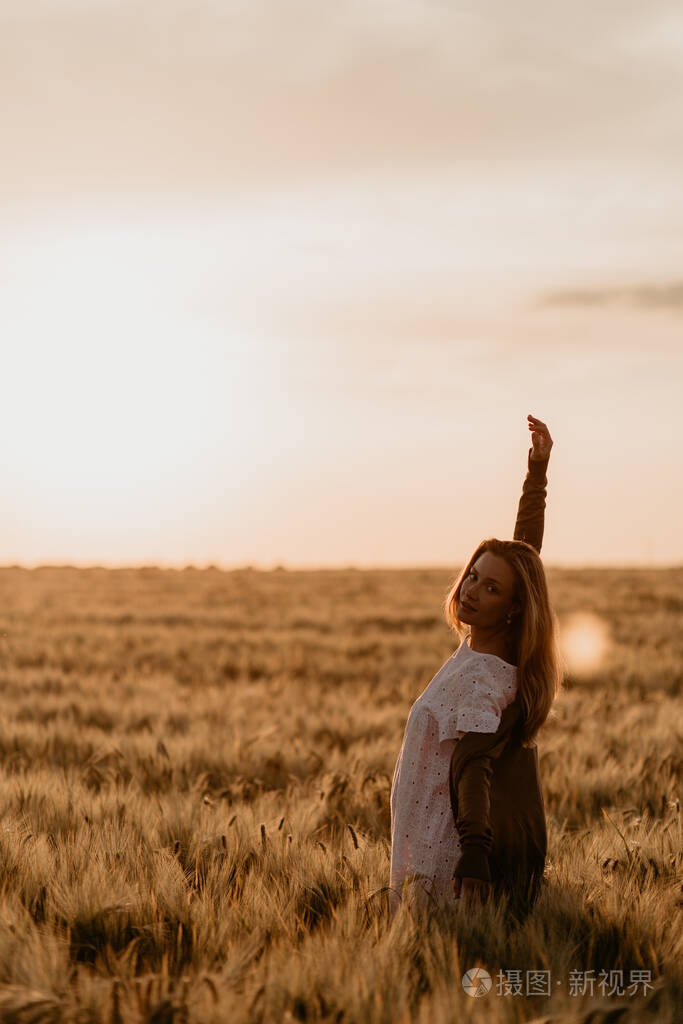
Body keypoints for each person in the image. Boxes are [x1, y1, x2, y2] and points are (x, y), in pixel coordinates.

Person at [388, 414, 562, 916]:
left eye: (490, 589)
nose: (471, 590)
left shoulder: (486, 678)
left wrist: (475, 854)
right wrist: (537, 473)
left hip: (444, 853)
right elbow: (522, 557)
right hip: (428, 834)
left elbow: (474, 768)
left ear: (511, 608)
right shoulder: (493, 646)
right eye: (473, 576)